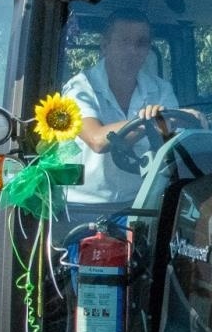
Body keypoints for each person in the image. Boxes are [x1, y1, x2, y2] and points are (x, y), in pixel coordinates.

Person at [62, 11, 180, 205]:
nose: (133, 50)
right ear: (105, 45)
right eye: (124, 42)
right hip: (82, 206)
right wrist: (148, 124)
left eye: (141, 43)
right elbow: (97, 140)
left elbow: (173, 141)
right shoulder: (78, 89)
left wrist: (192, 120)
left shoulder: (161, 90)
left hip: (140, 203)